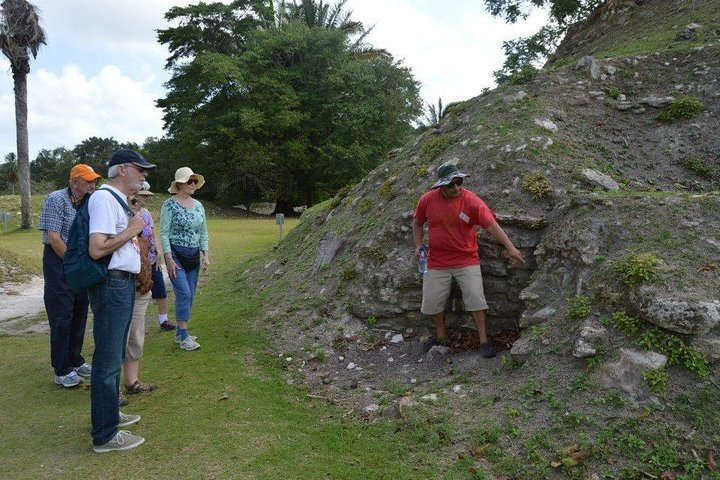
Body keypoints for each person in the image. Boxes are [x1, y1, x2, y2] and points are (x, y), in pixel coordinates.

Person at [412, 160, 525, 358]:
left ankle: (483, 340)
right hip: (436, 260)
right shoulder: (427, 200)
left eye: (459, 182)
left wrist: (511, 248)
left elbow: (492, 226)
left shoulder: (472, 201)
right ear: (441, 186)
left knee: (476, 299)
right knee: (431, 302)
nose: (456, 187)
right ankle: (441, 337)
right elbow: (417, 222)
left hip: (466, 259)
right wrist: (418, 245)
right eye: (450, 184)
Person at [87, 149, 156, 453]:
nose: (144, 175)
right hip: (112, 284)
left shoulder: (113, 200)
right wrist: (132, 230)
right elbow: (97, 248)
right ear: (123, 170)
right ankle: (104, 435)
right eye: (140, 169)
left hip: (122, 284)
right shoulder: (103, 198)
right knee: (107, 359)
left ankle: (110, 416)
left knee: (114, 355)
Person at [38, 164, 101, 387]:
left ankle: (75, 360)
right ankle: (62, 369)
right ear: (75, 182)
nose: (93, 185)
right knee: (62, 314)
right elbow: (54, 238)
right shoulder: (56, 199)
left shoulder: (90, 201)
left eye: (94, 181)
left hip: (78, 261)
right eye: (88, 181)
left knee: (79, 310)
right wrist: (74, 263)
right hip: (59, 260)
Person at [160, 167, 210, 351]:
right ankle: (184, 336)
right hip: (175, 255)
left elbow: (203, 231)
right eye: (190, 181)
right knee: (184, 293)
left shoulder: (198, 205)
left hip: (193, 255)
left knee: (190, 295)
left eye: (195, 181)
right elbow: (164, 232)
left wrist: (206, 254)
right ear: (179, 184)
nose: (193, 184)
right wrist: (168, 258)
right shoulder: (169, 205)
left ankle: (180, 332)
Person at [121, 188, 158, 397]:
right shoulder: (113, 210)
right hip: (118, 282)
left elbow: (148, 240)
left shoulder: (144, 215)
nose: (139, 198)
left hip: (141, 280)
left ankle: (132, 381)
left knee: (136, 332)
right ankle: (110, 389)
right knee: (116, 336)